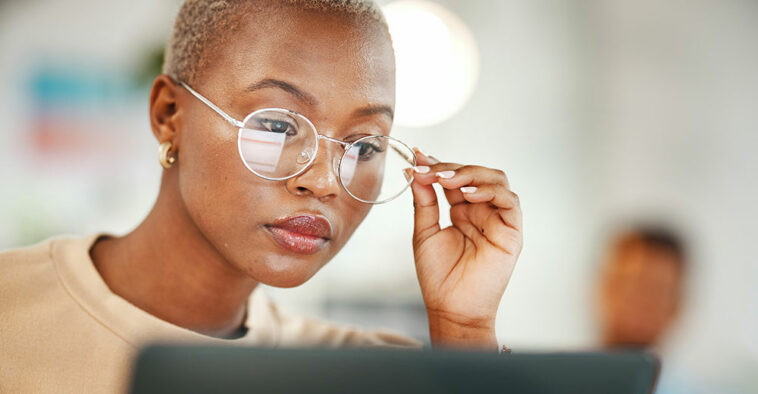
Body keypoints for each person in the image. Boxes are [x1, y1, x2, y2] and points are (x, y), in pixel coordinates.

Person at [0, 0, 523, 392]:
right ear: (168, 116)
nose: (321, 181)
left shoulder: (368, 373)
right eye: (275, 125)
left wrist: (464, 328)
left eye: (365, 144)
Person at [596, 226, 686, 348]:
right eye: (636, 286)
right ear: (607, 288)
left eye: (658, 292)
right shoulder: (566, 367)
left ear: (675, 307)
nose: (644, 301)